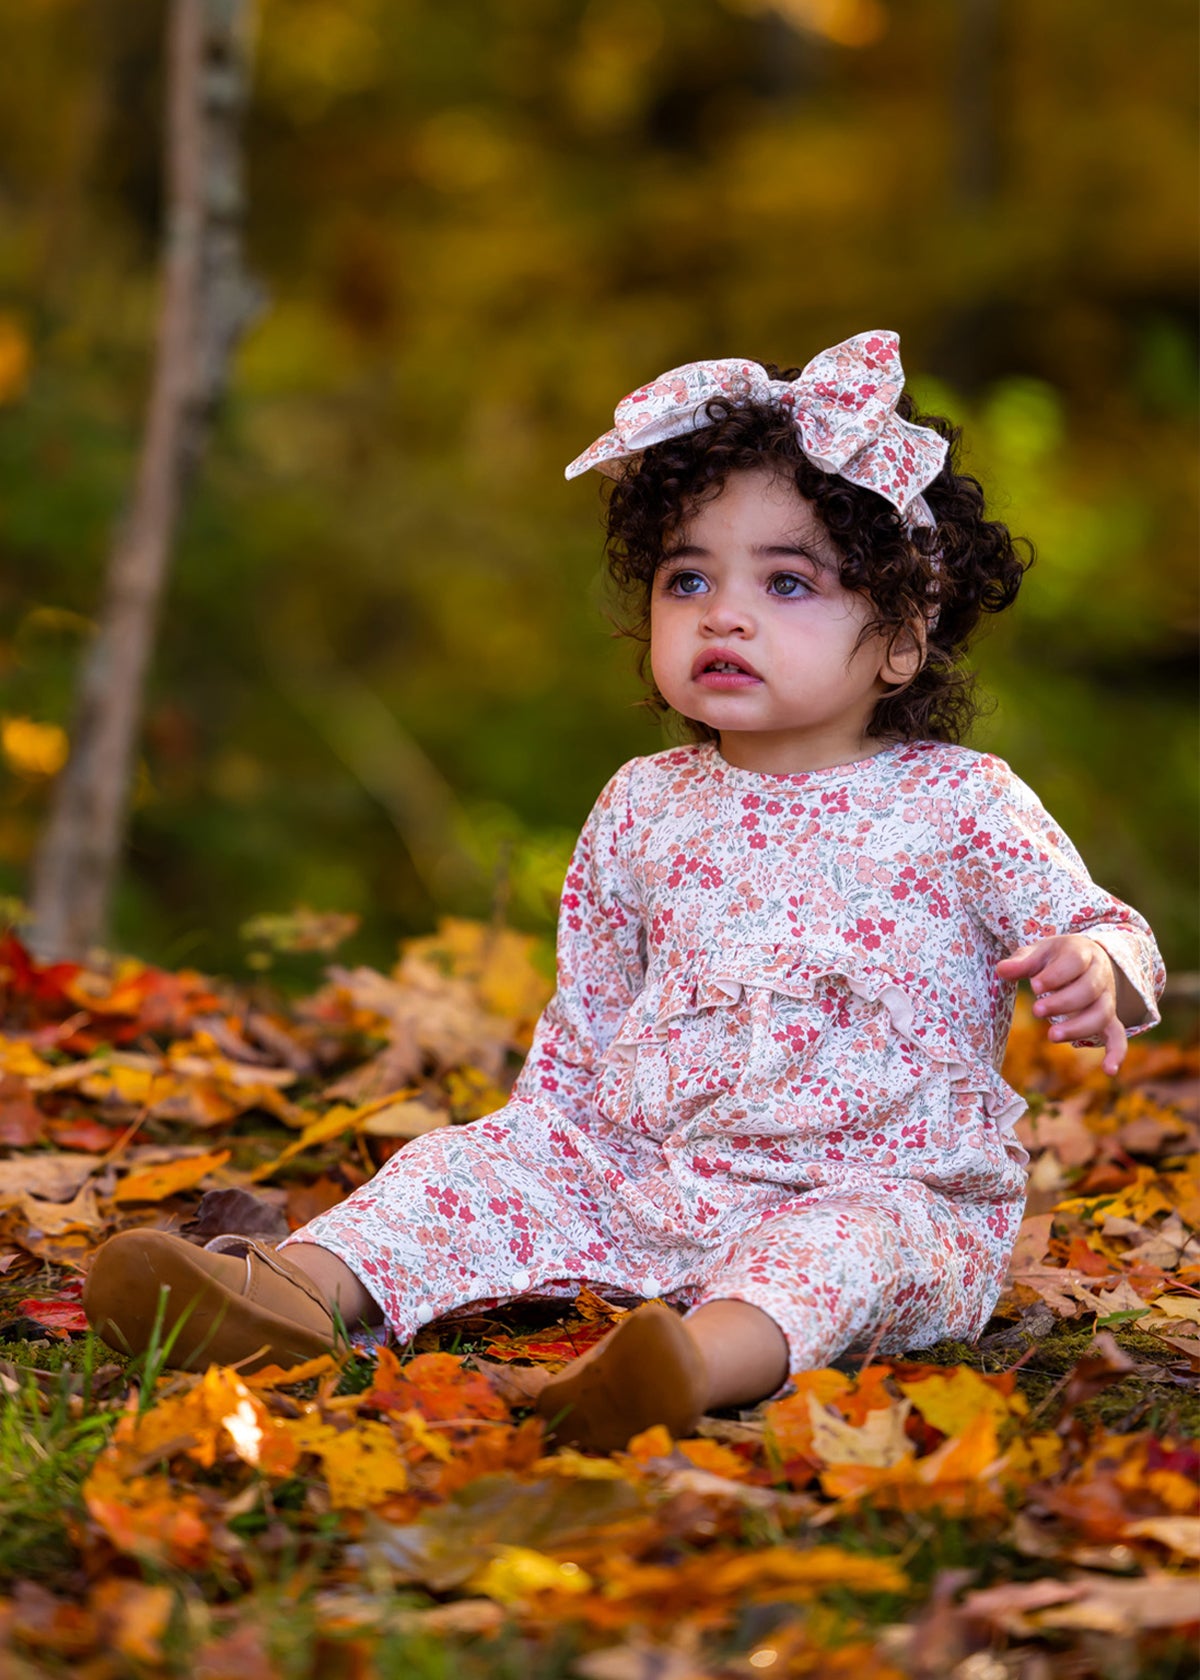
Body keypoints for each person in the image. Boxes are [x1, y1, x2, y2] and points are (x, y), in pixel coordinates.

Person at [84, 330, 1164, 1453]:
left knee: (837, 1256)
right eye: (687, 578)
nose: (723, 613)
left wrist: (1098, 973)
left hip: (886, 1188)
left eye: (786, 582)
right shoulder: (645, 802)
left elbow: (1109, 928)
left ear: (899, 637)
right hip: (649, 1168)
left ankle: (685, 1368)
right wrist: (545, 1153)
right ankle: (289, 1295)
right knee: (454, 1166)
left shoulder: (962, 801)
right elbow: (589, 1021)